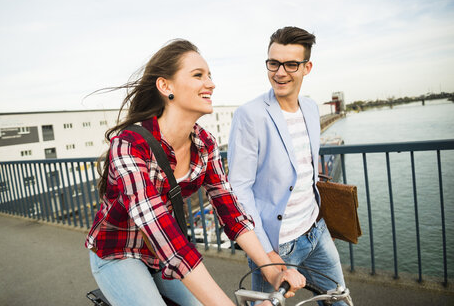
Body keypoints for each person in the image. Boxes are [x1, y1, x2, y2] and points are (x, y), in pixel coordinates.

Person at [85, 39, 305, 306]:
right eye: (198, 75)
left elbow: (232, 213)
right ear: (166, 87)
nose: (211, 83)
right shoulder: (130, 144)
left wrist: (273, 271)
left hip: (161, 254)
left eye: (210, 75)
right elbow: (159, 227)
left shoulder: (205, 144)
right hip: (119, 252)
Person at [227, 26, 347, 305]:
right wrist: (266, 252)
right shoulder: (249, 115)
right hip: (277, 245)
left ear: (307, 67)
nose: (280, 72)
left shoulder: (311, 108)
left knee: (338, 300)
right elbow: (240, 189)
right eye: (273, 63)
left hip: (316, 230)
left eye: (291, 64)